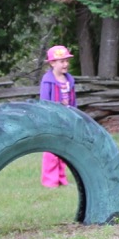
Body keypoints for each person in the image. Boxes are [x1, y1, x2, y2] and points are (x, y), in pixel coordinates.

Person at [39, 44, 76, 187]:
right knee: (51, 151)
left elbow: (73, 100)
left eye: (67, 61)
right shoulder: (48, 81)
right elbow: (44, 101)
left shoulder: (69, 80)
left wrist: (74, 114)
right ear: (52, 63)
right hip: (52, 119)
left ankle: (61, 178)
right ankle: (50, 181)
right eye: (62, 61)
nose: (65, 64)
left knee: (63, 150)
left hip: (66, 119)